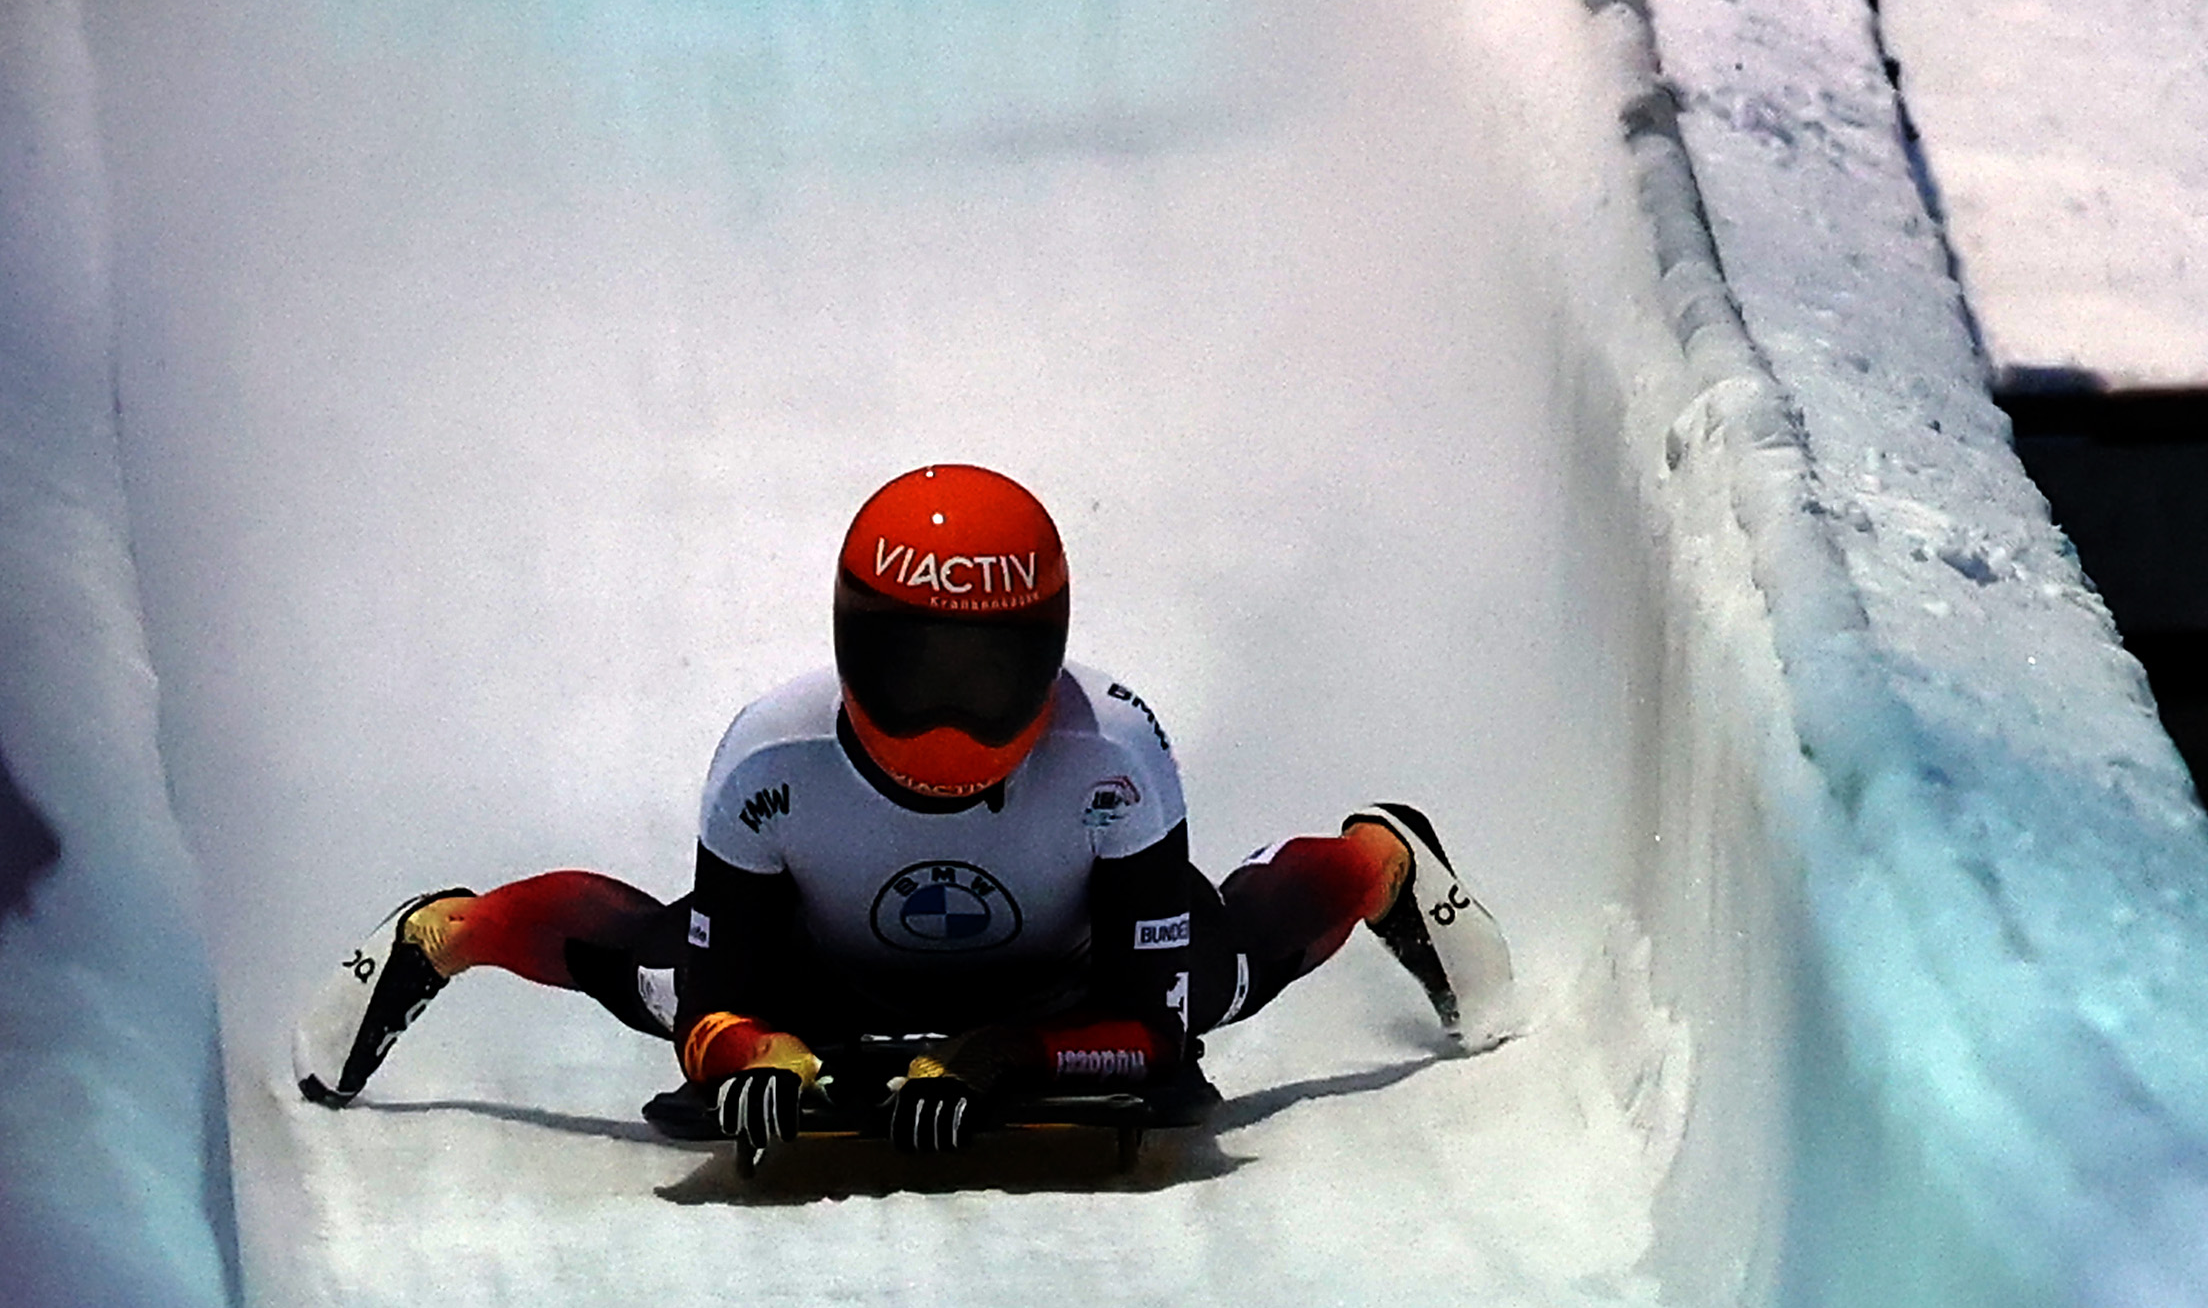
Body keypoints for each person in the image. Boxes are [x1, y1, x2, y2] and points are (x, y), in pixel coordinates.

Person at [292, 463, 1511, 1161]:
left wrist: (1015, 1057)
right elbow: (715, 999)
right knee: (653, 974)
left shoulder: (1117, 754)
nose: (949, 722)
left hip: (1065, 985)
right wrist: (747, 1050)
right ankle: (444, 934)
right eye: (916, 671)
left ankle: (1380, 862)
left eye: (988, 678)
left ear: (1049, 657)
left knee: (1227, 969)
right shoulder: (766, 759)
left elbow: (1156, 1028)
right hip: (827, 979)